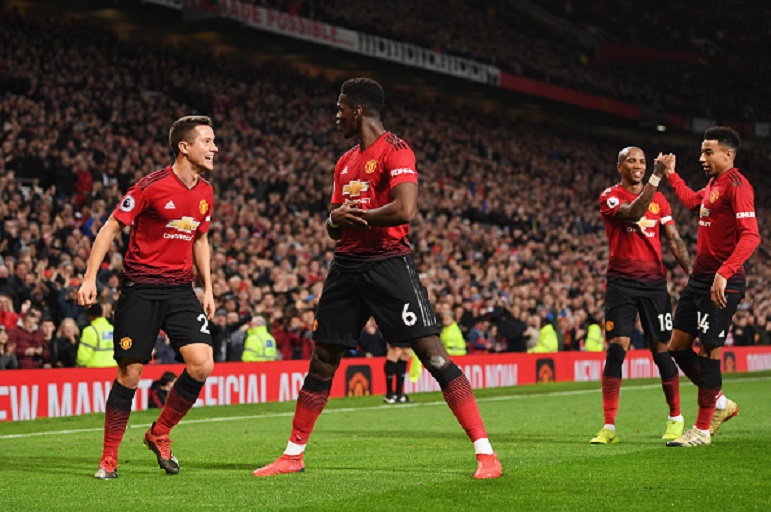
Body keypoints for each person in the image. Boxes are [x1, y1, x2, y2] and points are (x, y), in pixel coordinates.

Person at [252, 78, 501, 479]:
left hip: (388, 264)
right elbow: (334, 223)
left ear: (358, 110)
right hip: (346, 266)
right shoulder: (344, 161)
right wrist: (334, 220)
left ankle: (486, 454)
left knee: (433, 355)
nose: (336, 116)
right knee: (323, 360)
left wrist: (361, 217)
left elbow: (405, 210)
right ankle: (292, 454)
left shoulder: (396, 151)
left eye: (340, 109)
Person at [78, 115, 217, 478]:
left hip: (180, 290)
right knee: (131, 373)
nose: (214, 148)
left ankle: (160, 433)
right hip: (141, 289)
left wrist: (208, 287)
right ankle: (109, 457)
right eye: (207, 141)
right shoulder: (151, 186)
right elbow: (110, 226)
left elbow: (200, 239)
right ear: (184, 147)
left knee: (202, 364)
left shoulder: (205, 192)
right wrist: (90, 277)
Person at [662, 127, 760, 447]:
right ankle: (719, 402)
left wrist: (725, 272)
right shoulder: (714, 184)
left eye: (708, 152)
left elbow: (751, 235)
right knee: (677, 345)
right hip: (700, 279)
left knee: (708, 349)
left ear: (727, 154)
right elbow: (693, 203)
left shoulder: (737, 185)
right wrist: (673, 176)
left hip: (723, 282)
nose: (702, 157)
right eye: (702, 151)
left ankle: (702, 430)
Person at [590, 148, 692, 445]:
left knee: (661, 351)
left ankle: (675, 418)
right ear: (619, 165)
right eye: (632, 161)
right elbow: (633, 212)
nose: (638, 165)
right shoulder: (610, 196)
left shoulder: (660, 201)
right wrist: (657, 175)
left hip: (654, 286)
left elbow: (673, 239)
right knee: (616, 349)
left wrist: (693, 274)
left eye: (643, 162)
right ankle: (609, 426)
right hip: (620, 284)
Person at [76, 303, 117, 368]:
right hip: (113, 368)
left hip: (95, 369)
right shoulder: (112, 328)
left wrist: (80, 363)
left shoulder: (89, 331)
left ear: (90, 316)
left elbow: (83, 355)